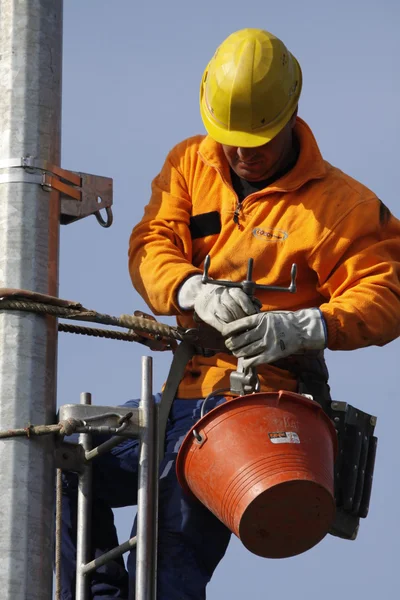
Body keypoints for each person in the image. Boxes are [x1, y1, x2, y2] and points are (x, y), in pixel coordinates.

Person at [61, 28, 400, 599]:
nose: (242, 154)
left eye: (258, 140)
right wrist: (189, 288)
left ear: (291, 112)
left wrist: (306, 324)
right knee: (56, 461)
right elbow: (151, 245)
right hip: (178, 399)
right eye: (231, 139)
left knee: (169, 563)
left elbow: (387, 296)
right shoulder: (192, 163)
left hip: (255, 410)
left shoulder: (341, 207)